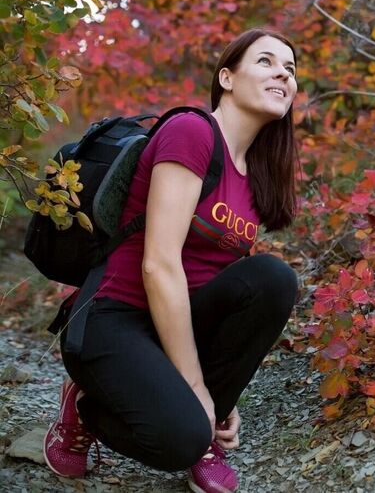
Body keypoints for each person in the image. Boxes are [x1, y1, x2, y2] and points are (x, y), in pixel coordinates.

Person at [43, 26, 299, 493]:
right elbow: (158, 265)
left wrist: (220, 398)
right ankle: (84, 407)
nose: (282, 73)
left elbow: (229, 291)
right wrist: (197, 389)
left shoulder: (258, 174)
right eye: (265, 61)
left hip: (175, 322)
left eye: (290, 68)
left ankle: (205, 430)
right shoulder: (191, 132)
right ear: (226, 78)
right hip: (114, 316)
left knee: (273, 278)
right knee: (179, 441)